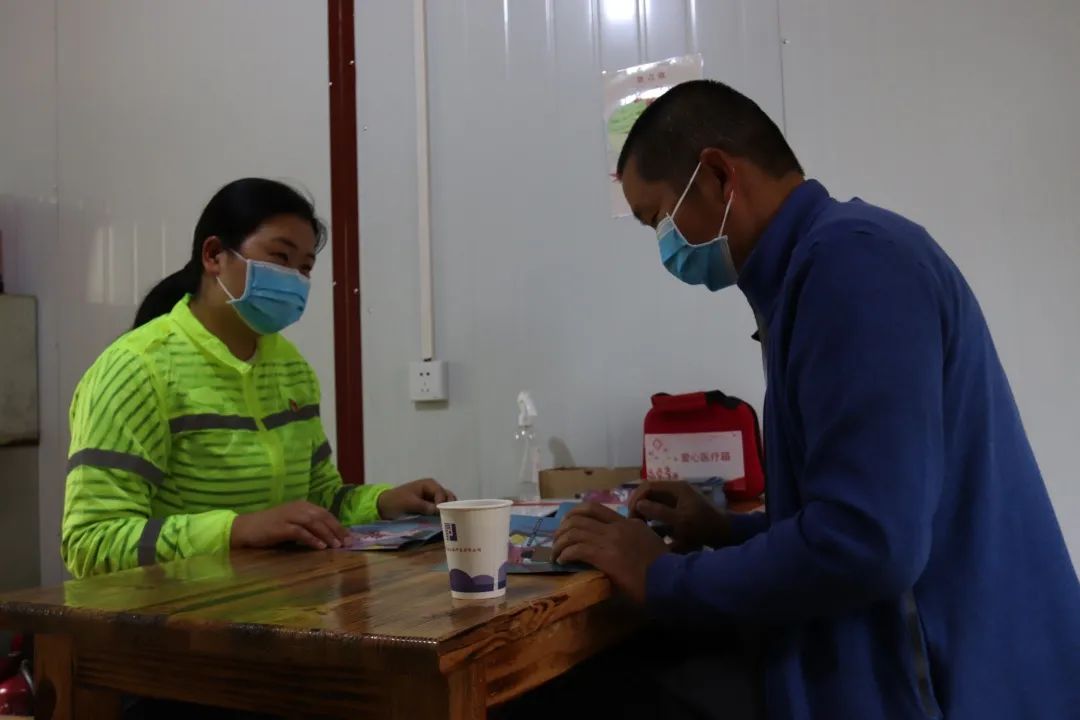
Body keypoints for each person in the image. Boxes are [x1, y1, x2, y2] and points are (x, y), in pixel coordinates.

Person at [549, 80, 1080, 719]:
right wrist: (725, 530)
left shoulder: (852, 268)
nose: (664, 246)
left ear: (718, 176)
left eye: (658, 219)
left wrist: (661, 577)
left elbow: (870, 541)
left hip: (948, 682)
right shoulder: (819, 268)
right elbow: (857, 509)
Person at [62, 178, 454, 580]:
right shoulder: (136, 369)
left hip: (286, 604)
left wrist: (384, 502)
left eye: (305, 268)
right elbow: (91, 543)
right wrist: (236, 530)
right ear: (214, 255)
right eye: (280, 257)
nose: (294, 279)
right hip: (178, 613)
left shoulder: (290, 368)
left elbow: (317, 503)